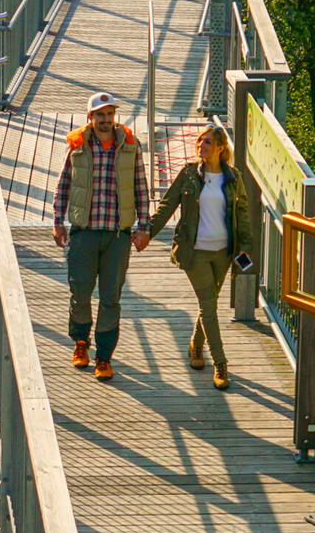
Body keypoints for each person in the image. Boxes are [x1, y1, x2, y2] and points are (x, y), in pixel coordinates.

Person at [52, 91, 151, 381]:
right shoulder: (78, 145)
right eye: (100, 115)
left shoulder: (130, 145)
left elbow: (141, 188)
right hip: (84, 232)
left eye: (110, 114)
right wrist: (58, 222)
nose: (106, 120)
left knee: (111, 298)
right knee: (80, 293)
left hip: (118, 235)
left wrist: (144, 227)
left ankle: (104, 357)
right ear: (90, 117)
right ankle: (80, 342)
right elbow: (63, 184)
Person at [150, 125, 253, 390]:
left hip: (224, 252)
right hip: (194, 251)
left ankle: (196, 345)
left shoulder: (233, 176)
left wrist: (245, 245)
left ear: (220, 148)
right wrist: (146, 233)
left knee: (208, 304)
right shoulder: (188, 174)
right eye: (199, 142)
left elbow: (241, 211)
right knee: (209, 306)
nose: (201, 146)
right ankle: (220, 362)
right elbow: (167, 205)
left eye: (207, 143)